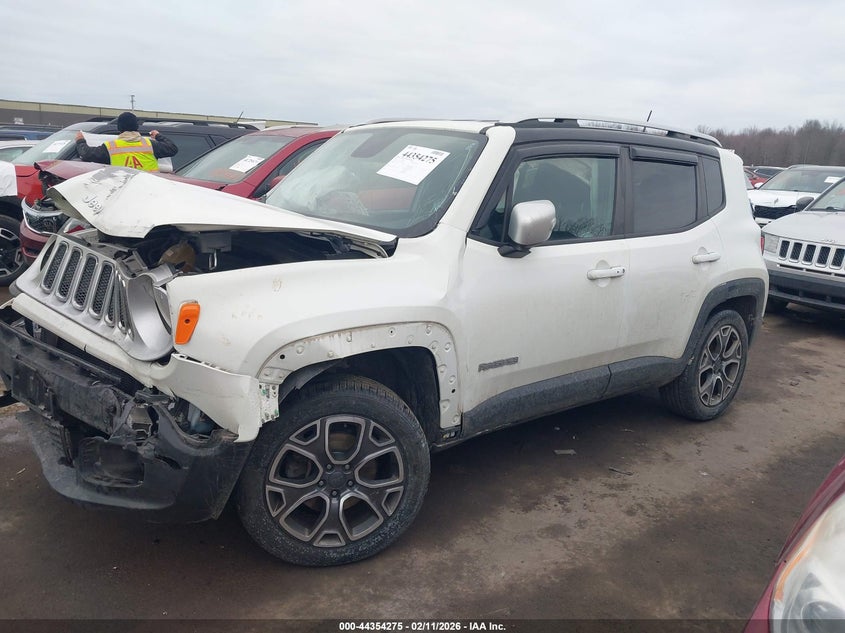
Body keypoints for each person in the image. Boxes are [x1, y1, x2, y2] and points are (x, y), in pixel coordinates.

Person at [74, 111, 177, 171]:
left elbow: (87, 154)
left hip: (124, 193)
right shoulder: (151, 145)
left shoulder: (110, 147)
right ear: (137, 127)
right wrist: (158, 136)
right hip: (150, 192)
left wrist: (80, 140)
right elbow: (172, 148)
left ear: (119, 128)